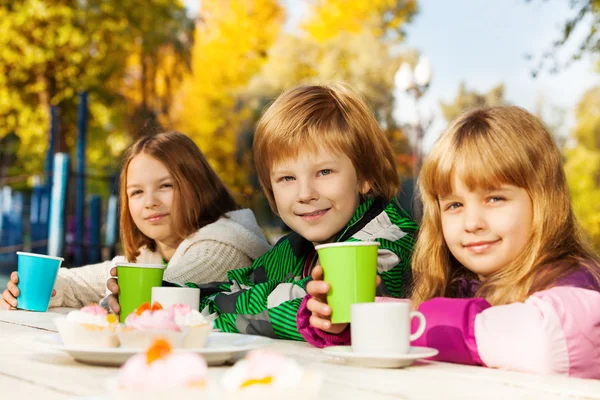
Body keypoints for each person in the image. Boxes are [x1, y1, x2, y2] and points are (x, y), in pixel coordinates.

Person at [299, 106, 600, 378]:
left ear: (545, 201)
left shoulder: (576, 283)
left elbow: (551, 339)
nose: (472, 223)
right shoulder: (457, 284)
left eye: (495, 198)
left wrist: (422, 324)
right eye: (454, 205)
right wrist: (348, 323)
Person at [185, 83, 418, 341]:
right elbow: (233, 287)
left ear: (365, 176)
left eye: (324, 172)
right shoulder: (293, 249)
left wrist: (203, 315)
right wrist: (178, 300)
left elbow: (326, 306)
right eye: (287, 178)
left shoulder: (391, 241)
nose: (305, 194)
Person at [1, 132, 271, 310]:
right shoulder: (150, 255)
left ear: (197, 185)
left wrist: (111, 300)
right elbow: (83, 282)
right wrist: (28, 287)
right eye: (137, 192)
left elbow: (164, 288)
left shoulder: (224, 247)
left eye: (165, 186)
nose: (150, 201)